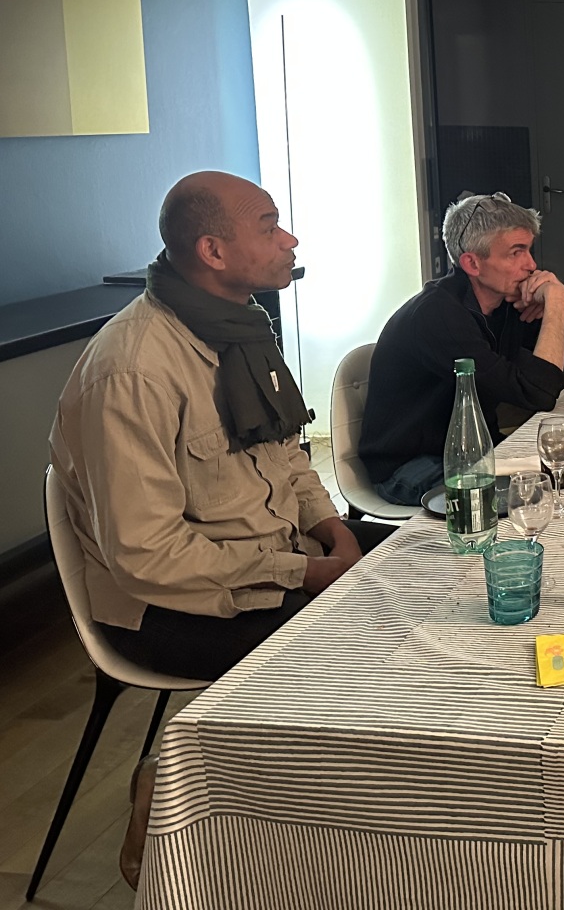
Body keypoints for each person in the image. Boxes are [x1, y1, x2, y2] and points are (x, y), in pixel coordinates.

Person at [49, 172, 391, 683]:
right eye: (269, 228)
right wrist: (303, 571)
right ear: (213, 251)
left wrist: (336, 533)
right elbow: (148, 555)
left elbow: (286, 457)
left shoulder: (241, 330)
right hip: (176, 607)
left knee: (433, 559)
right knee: (374, 648)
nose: (290, 240)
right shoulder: (131, 372)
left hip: (279, 552)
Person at [360, 191, 564, 504]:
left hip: (478, 450)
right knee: (537, 497)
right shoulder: (438, 316)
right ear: (472, 263)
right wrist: (554, 306)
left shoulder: (504, 303)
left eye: (529, 250)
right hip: (411, 464)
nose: (532, 264)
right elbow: (539, 393)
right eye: (516, 253)